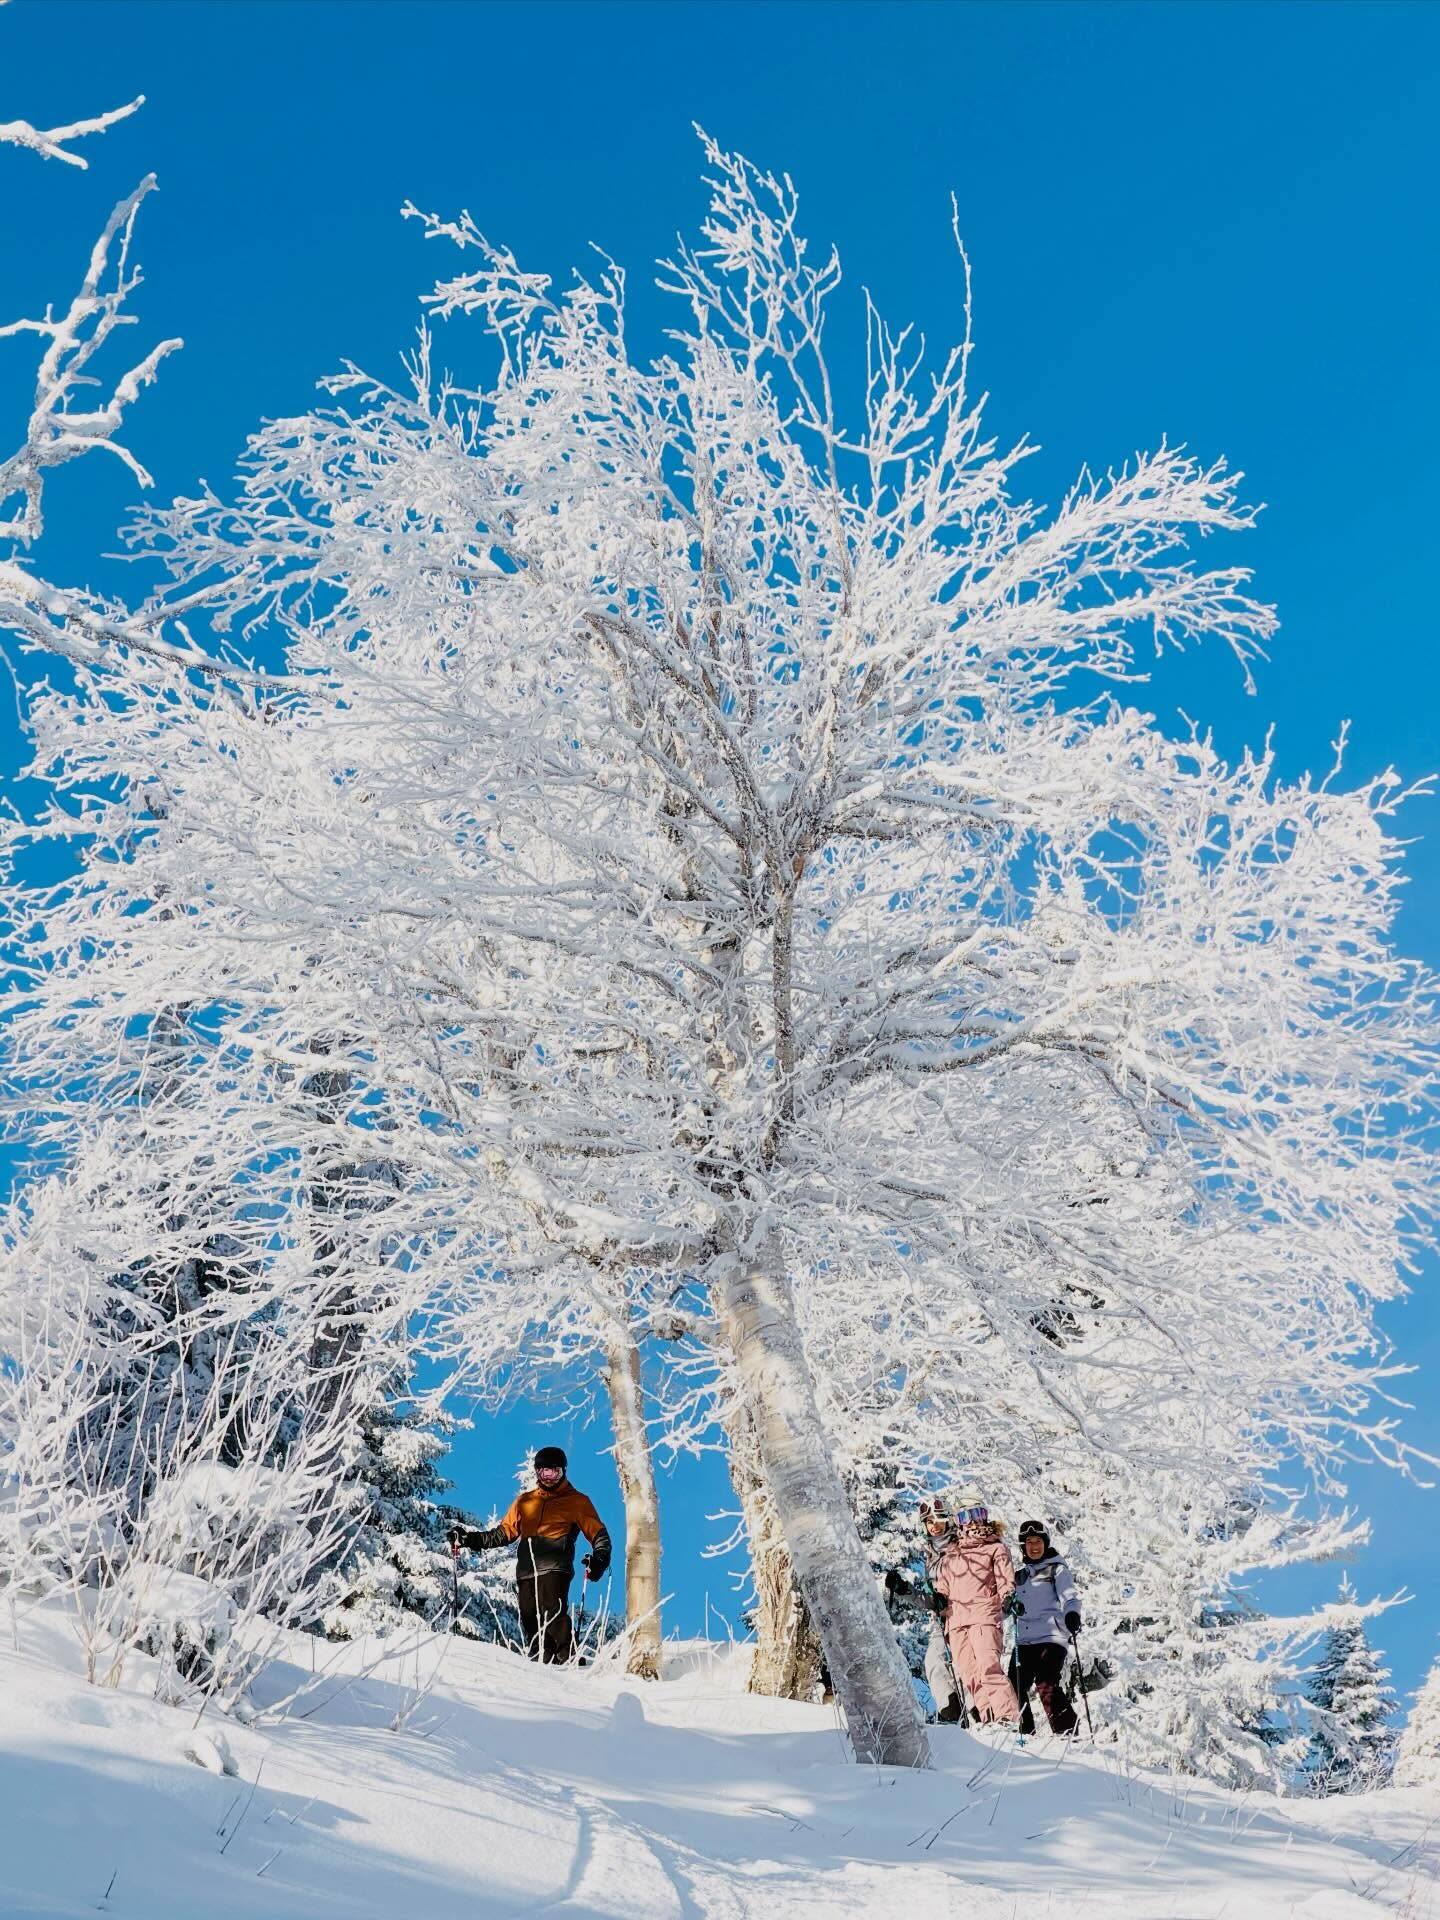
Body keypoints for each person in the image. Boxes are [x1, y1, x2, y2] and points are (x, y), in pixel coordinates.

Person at [448, 1446, 612, 1665]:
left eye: (554, 1472)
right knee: (529, 1616)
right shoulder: (525, 1501)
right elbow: (503, 1533)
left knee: (552, 1610)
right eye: (544, 1473)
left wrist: (599, 1559)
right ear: (537, 1473)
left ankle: (567, 1656)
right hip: (526, 1569)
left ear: (563, 1471)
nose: (549, 1478)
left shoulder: (577, 1501)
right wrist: (468, 1539)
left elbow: (598, 1533)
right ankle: (541, 1660)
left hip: (555, 1565)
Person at [930, 1484, 1021, 1726]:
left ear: (985, 1516)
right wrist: (939, 1597)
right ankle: (988, 1719)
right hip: (956, 1620)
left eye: (976, 1515)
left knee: (988, 1668)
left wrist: (1008, 1596)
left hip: (983, 1616)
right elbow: (943, 1584)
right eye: (964, 1516)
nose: (971, 1522)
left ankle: (1007, 1718)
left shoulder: (995, 1548)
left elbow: (1005, 1579)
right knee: (969, 1674)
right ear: (958, 1521)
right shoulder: (952, 1553)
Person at [885, 1494, 965, 1722]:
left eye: (939, 1520)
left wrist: (951, 1599)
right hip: (942, 1621)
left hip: (965, 1618)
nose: (935, 1526)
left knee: (963, 1667)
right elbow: (930, 1599)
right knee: (933, 1660)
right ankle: (950, 1712)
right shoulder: (931, 1557)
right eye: (930, 1522)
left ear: (949, 1520)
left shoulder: (962, 1549)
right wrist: (903, 1589)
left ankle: (977, 1715)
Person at [1011, 1518, 1082, 1737]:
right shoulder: (1018, 1576)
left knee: (1046, 1683)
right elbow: (1004, 1608)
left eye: (1038, 1541)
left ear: (1046, 1543)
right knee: (1014, 1685)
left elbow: (1069, 1596)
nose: (1034, 1546)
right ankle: (1025, 1734)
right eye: (1029, 1542)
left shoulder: (1056, 1570)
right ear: (1023, 1546)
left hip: (1051, 1638)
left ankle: (1068, 1734)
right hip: (1024, 1641)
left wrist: (1072, 1614)